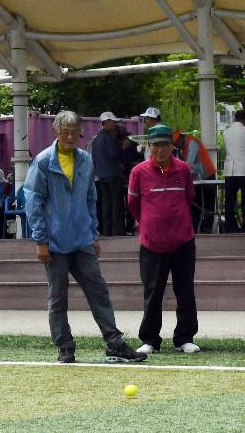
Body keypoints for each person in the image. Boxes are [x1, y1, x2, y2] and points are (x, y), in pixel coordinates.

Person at [24, 110, 146, 364]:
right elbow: (33, 201)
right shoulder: (44, 161)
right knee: (57, 297)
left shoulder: (86, 160)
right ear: (56, 133)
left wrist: (93, 234)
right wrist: (40, 240)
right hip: (54, 243)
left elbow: (91, 198)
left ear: (80, 133)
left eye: (74, 132)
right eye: (64, 131)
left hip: (82, 239)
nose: (70, 136)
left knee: (98, 291)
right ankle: (64, 346)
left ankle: (114, 342)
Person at [128, 124, 200, 355]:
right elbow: (133, 205)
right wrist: (150, 223)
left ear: (172, 146)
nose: (160, 150)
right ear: (150, 147)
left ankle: (184, 338)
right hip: (152, 243)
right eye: (156, 145)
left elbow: (188, 198)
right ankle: (150, 339)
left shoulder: (184, 170)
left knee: (185, 290)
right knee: (153, 291)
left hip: (183, 241)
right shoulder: (138, 172)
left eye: (165, 145)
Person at [222, 109, 245, 233]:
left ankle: (229, 225)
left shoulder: (226, 132)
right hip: (244, 170)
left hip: (229, 170)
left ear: (235, 118)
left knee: (229, 200)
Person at [173, 129, 217, 233]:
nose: (176, 146)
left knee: (208, 203)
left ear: (180, 138)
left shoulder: (192, 143)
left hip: (208, 176)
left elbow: (187, 165)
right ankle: (196, 227)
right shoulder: (183, 148)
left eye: (176, 143)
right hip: (197, 179)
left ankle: (206, 228)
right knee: (195, 203)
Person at [92, 111, 125, 236]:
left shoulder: (96, 139)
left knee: (106, 203)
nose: (115, 124)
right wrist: (121, 148)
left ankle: (107, 230)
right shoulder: (109, 137)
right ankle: (118, 231)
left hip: (101, 175)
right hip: (113, 174)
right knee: (117, 203)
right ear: (107, 122)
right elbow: (113, 154)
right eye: (113, 122)